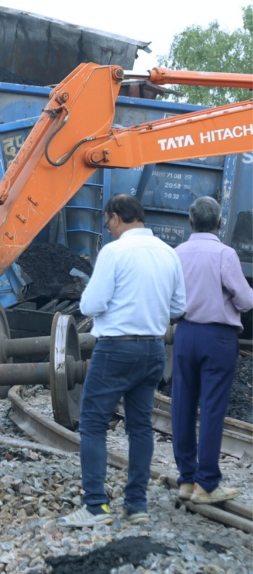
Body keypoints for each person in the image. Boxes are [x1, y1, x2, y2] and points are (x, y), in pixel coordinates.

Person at [59, 194, 185, 528]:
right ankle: (136, 504)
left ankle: (96, 507)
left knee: (92, 423)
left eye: (107, 223)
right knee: (141, 427)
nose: (109, 229)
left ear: (115, 218)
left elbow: (90, 305)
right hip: (154, 350)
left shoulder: (114, 252)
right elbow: (178, 308)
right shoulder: (168, 253)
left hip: (116, 349)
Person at [171, 197, 253, 505]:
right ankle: (207, 483)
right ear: (220, 223)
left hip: (185, 334)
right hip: (217, 337)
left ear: (190, 222)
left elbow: (171, 300)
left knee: (182, 405)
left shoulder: (177, 253)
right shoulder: (225, 254)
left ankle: (186, 479)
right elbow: (246, 300)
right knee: (212, 408)